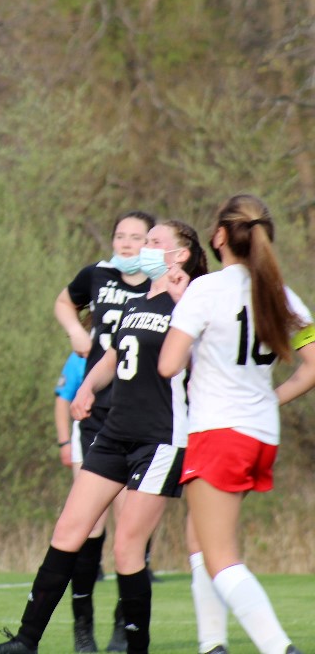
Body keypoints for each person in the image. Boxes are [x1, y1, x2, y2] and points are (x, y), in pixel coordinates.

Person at [0, 219, 208, 654]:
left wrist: (182, 297)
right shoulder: (137, 301)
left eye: (156, 242)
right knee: (67, 531)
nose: (145, 248)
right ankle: (24, 642)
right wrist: (86, 387)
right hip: (115, 432)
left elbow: (200, 359)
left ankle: (136, 647)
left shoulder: (195, 302)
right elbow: (113, 356)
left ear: (181, 256)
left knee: (125, 550)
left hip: (160, 439)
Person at [157, 194, 315, 654]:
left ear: (220, 236)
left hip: (218, 432)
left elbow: (169, 365)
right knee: (201, 539)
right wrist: (268, 398)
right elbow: (311, 366)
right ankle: (212, 645)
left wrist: (182, 310)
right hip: (260, 433)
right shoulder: (282, 294)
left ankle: (277, 647)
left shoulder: (205, 290)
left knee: (222, 558)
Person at [53, 210, 155, 652]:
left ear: (152, 245)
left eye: (137, 237)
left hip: (145, 419)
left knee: (130, 527)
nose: (127, 243)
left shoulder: (162, 286)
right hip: (96, 415)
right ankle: (83, 629)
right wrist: (77, 331)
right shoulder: (97, 274)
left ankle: (123, 627)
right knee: (87, 525)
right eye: (120, 235)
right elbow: (62, 301)